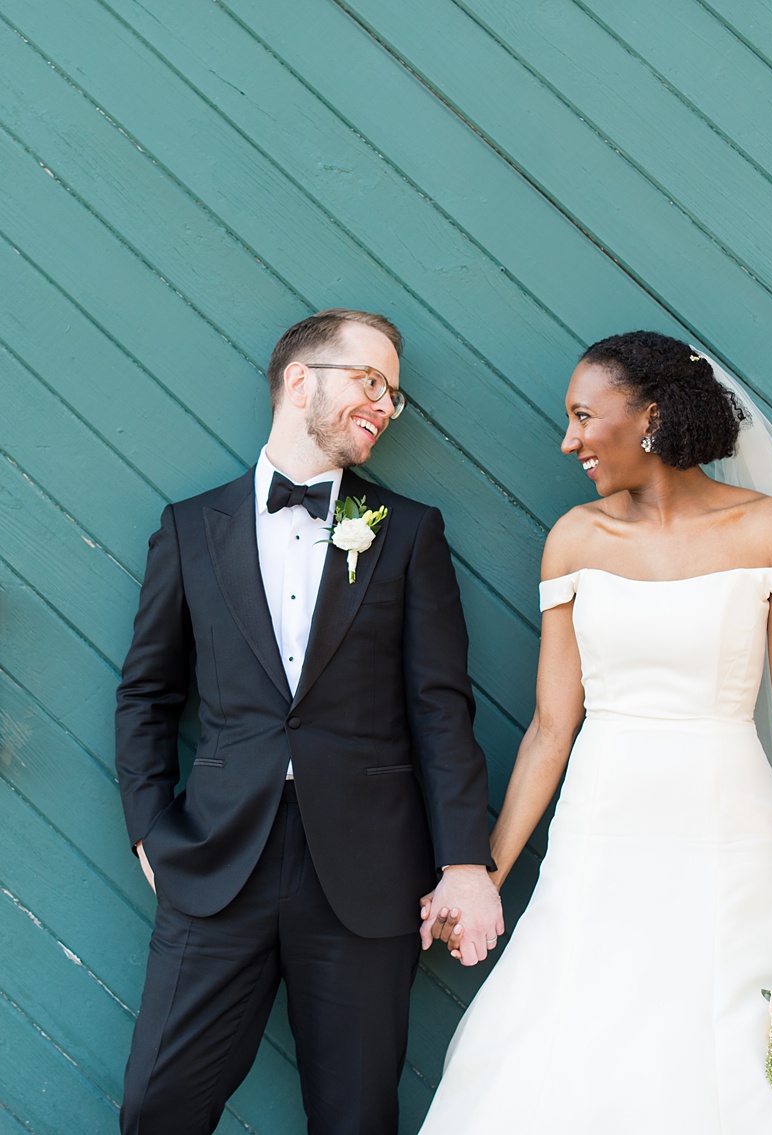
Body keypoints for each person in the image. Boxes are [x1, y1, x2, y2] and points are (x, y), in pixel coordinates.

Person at [420, 331, 772, 1133]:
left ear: (648, 417)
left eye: (581, 416)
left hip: (728, 824)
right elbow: (548, 728)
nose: (567, 440)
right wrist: (487, 875)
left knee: (728, 1023)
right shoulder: (573, 539)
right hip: (601, 826)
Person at [115, 309, 503, 1135]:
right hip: (217, 864)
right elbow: (147, 695)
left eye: (393, 394)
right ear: (300, 380)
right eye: (371, 381)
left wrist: (466, 860)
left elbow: (441, 707)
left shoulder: (408, 533)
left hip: (365, 873)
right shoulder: (190, 528)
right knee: (156, 1107)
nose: (385, 405)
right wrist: (150, 829)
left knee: (355, 1118)